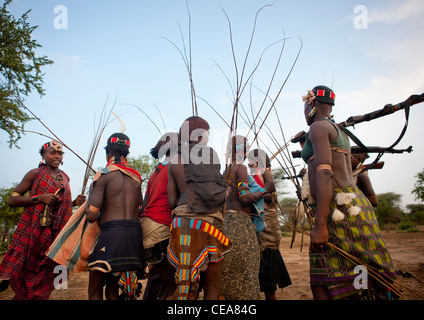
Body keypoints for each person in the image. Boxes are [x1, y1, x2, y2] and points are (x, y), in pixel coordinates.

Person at [301, 85, 397, 300]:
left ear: (312, 104)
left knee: (332, 284)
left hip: (338, 209)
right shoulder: (337, 128)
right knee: (333, 278)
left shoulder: (318, 128)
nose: (305, 113)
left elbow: (325, 174)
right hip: (349, 205)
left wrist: (320, 225)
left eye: (305, 108)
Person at [0, 140, 85, 300]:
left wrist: (74, 203)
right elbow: (12, 200)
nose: (57, 156)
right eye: (53, 152)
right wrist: (39, 198)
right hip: (33, 234)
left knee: (45, 278)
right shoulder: (35, 173)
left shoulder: (65, 177)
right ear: (43, 155)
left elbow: (59, 205)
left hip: (53, 237)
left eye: (60, 153)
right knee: (25, 279)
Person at [167, 116, 231, 300]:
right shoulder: (210, 155)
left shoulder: (174, 160)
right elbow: (216, 193)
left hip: (181, 226)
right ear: (202, 134)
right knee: (212, 286)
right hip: (210, 225)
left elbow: (172, 202)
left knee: (185, 285)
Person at [85, 133, 144, 300]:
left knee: (95, 289)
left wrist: (91, 192)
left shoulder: (103, 175)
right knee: (113, 290)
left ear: (108, 151)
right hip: (133, 235)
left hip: (112, 235)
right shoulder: (136, 177)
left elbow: (91, 215)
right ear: (127, 153)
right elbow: (140, 209)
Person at [220, 136, 274, 300]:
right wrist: (265, 190)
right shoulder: (241, 169)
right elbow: (244, 198)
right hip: (241, 226)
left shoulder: (226, 171)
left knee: (229, 276)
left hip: (226, 225)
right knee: (246, 276)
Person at [247, 149, 292, 300]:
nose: (248, 163)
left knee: (268, 264)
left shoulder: (265, 173)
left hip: (267, 224)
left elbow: (271, 198)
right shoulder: (256, 174)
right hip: (260, 221)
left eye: (251, 161)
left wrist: (251, 195)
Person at [141, 132, 178, 300]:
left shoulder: (157, 170)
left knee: (158, 276)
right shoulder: (176, 167)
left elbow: (145, 202)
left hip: (148, 225)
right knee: (170, 281)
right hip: (162, 226)